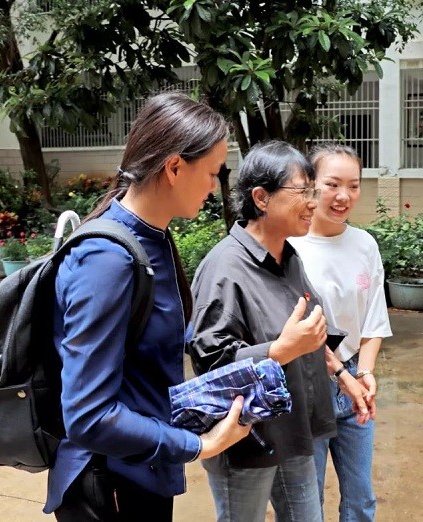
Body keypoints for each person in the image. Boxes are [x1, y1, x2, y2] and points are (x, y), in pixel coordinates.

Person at [45, 92, 251, 521]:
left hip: (144, 472)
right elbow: (88, 415)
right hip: (112, 487)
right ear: (175, 167)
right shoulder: (108, 258)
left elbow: (159, 342)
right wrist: (202, 445)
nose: (215, 187)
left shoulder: (153, 237)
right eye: (212, 173)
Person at [188, 140, 371, 522]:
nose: (312, 201)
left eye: (311, 190)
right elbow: (210, 363)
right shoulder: (224, 268)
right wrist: (277, 351)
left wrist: (343, 377)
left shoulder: (289, 259)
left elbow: (309, 336)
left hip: (292, 428)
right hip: (244, 437)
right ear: (262, 197)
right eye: (302, 191)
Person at [288, 143, 392, 521]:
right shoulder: (290, 246)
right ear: (310, 185)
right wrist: (344, 376)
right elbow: (301, 332)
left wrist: (364, 373)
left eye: (354, 185)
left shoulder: (365, 244)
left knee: (361, 498)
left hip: (352, 383)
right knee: (307, 500)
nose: (343, 196)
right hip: (305, 384)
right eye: (332, 184)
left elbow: (373, 320)